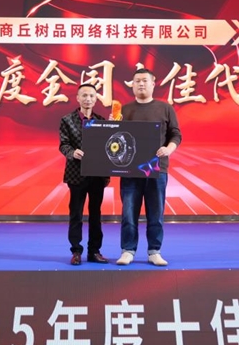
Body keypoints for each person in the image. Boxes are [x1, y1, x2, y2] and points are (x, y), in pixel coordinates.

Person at [116, 68, 182, 266]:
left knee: (156, 213)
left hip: (157, 169)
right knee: (129, 213)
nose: (141, 84)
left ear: (153, 83)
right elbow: (116, 137)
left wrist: (168, 149)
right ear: (132, 85)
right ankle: (128, 250)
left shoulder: (165, 108)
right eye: (137, 81)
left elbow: (176, 134)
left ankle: (154, 251)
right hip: (129, 170)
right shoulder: (124, 110)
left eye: (145, 80)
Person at [59, 83, 110, 266]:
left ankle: (94, 251)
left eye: (91, 96)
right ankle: (76, 251)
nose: (88, 99)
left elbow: (108, 147)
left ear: (96, 100)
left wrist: (113, 126)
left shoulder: (101, 121)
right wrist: (72, 152)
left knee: (96, 214)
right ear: (78, 98)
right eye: (85, 95)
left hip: (97, 175)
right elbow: (63, 144)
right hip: (76, 174)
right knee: (76, 214)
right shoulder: (67, 120)